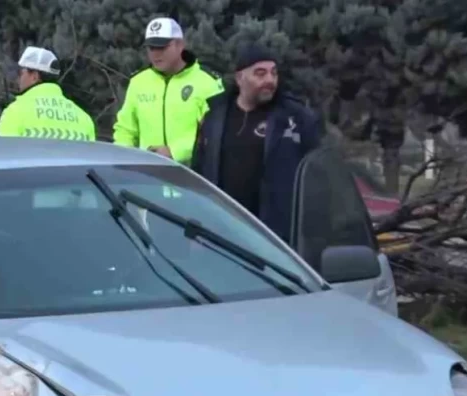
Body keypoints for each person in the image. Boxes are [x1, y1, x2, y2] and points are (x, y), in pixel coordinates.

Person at [190, 45, 321, 243]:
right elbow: (199, 172)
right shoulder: (214, 117)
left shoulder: (295, 118)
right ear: (240, 78)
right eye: (260, 74)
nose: (270, 80)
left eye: (273, 73)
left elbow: (316, 173)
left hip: (277, 237)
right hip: (223, 232)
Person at [112, 17, 224, 164]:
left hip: (192, 178)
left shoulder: (207, 81)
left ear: (180, 45)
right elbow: (125, 129)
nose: (156, 54)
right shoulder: (138, 82)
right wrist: (123, 160)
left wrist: (174, 151)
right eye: (151, 48)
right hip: (148, 178)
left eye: (162, 47)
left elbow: (216, 132)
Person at [0, 46, 96, 141]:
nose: (18, 79)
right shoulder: (84, 119)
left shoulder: (16, 112)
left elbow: (0, 154)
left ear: (34, 76)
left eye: (21, 73)